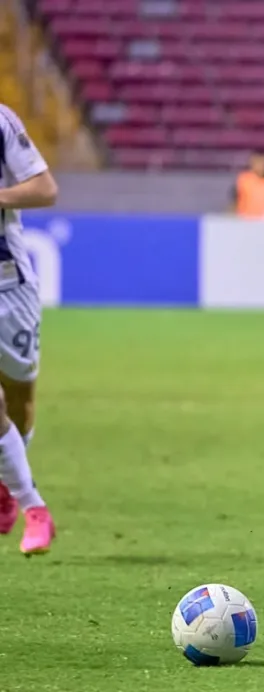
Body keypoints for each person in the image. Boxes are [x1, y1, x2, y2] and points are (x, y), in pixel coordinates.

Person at [0, 104, 58, 555]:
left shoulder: (2, 121)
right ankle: (34, 508)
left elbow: (44, 188)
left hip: (8, 287)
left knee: (18, 404)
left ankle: (9, 482)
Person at [230, 150, 264, 219]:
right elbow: (234, 202)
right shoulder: (243, 179)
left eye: (263, 163)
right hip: (245, 220)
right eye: (257, 162)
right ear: (251, 163)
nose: (260, 166)